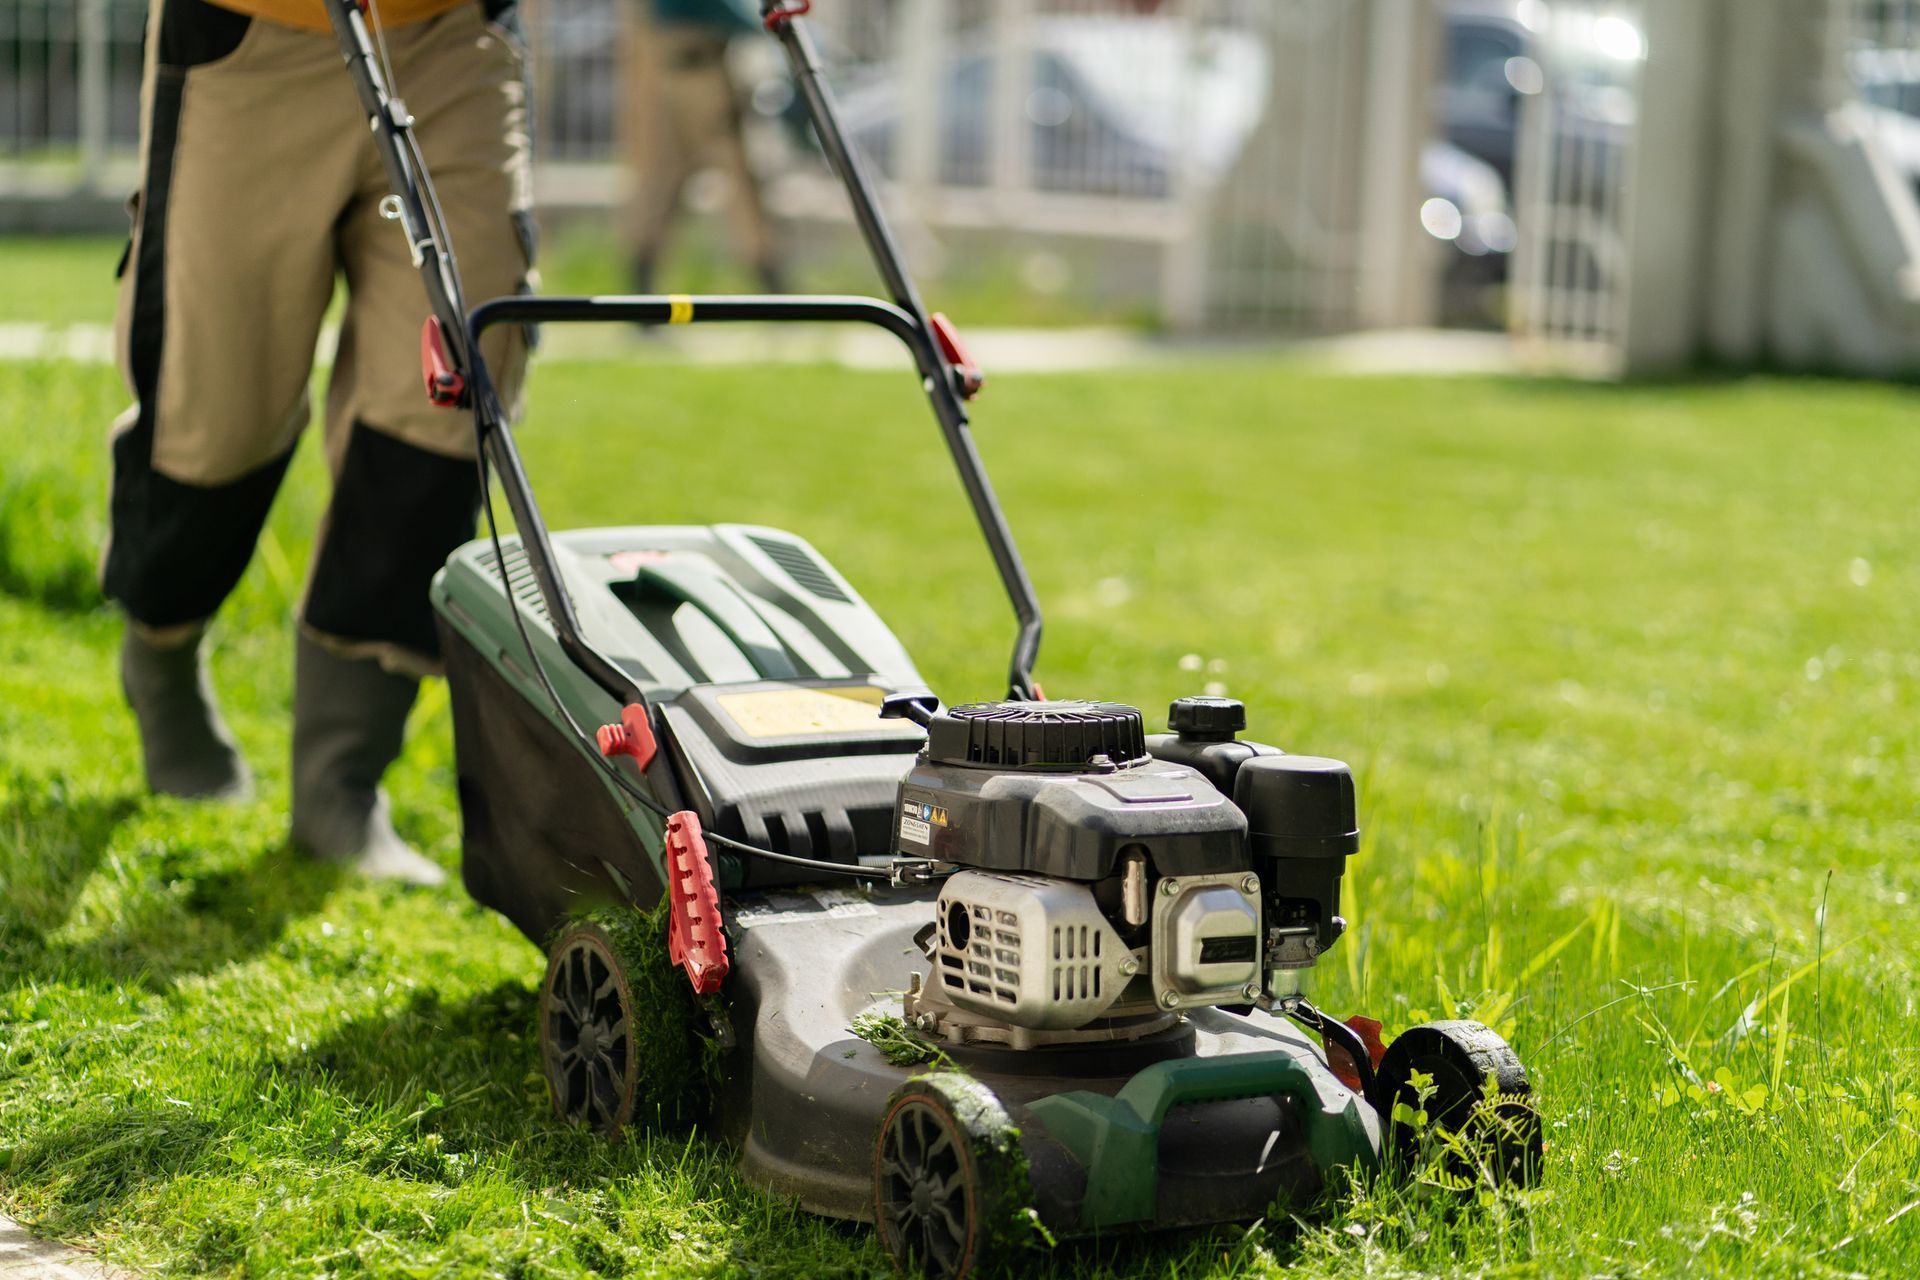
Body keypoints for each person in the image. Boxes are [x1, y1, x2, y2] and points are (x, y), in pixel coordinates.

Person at [105, 0, 535, 885]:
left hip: (450, 38)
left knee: (443, 397)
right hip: (252, 38)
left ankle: (342, 779)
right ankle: (162, 656)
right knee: (212, 413)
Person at [623, 0, 786, 295]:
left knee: (664, 183)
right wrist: (773, 26)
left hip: (674, 65)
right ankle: (776, 292)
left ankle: (641, 294)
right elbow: (724, 9)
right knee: (737, 178)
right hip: (697, 70)